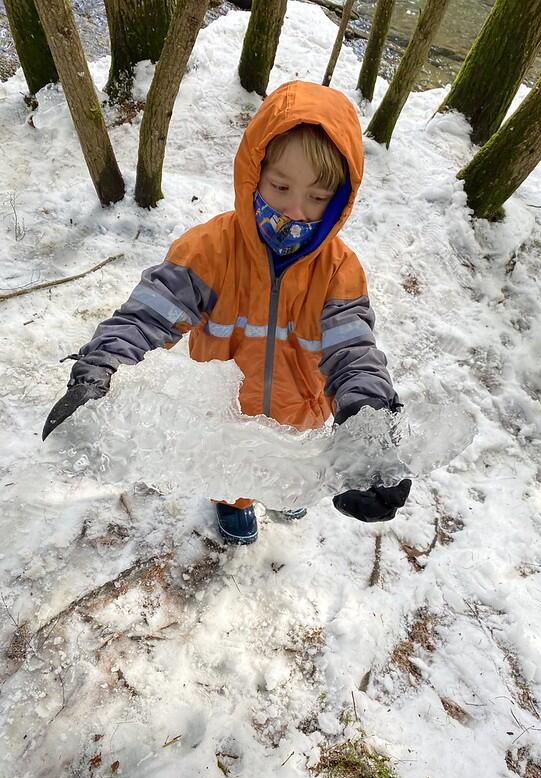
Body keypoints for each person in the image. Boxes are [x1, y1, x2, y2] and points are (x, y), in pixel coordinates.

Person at [43, 80, 411, 544]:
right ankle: (233, 502)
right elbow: (147, 315)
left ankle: (286, 492)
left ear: (339, 201)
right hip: (226, 416)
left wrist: (368, 429)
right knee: (232, 476)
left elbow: (354, 353)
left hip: (299, 411)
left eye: (318, 198)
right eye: (280, 187)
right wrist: (100, 366)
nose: (295, 211)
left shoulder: (338, 270)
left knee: (289, 468)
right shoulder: (209, 252)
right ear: (253, 174)